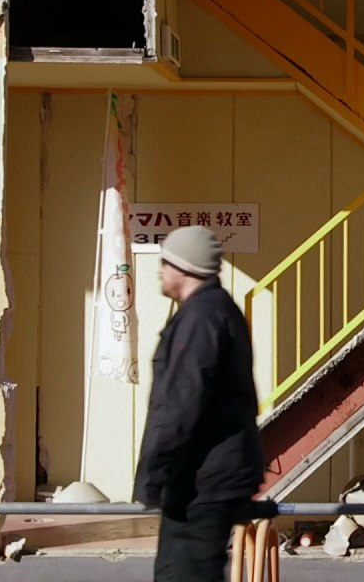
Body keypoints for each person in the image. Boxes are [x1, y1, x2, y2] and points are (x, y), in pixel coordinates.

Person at [134, 226, 265, 582]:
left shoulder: (199, 319)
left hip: (199, 483)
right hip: (215, 478)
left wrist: (152, 476)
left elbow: (178, 404)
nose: (159, 270)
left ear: (183, 267)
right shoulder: (219, 310)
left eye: (164, 262)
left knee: (183, 575)